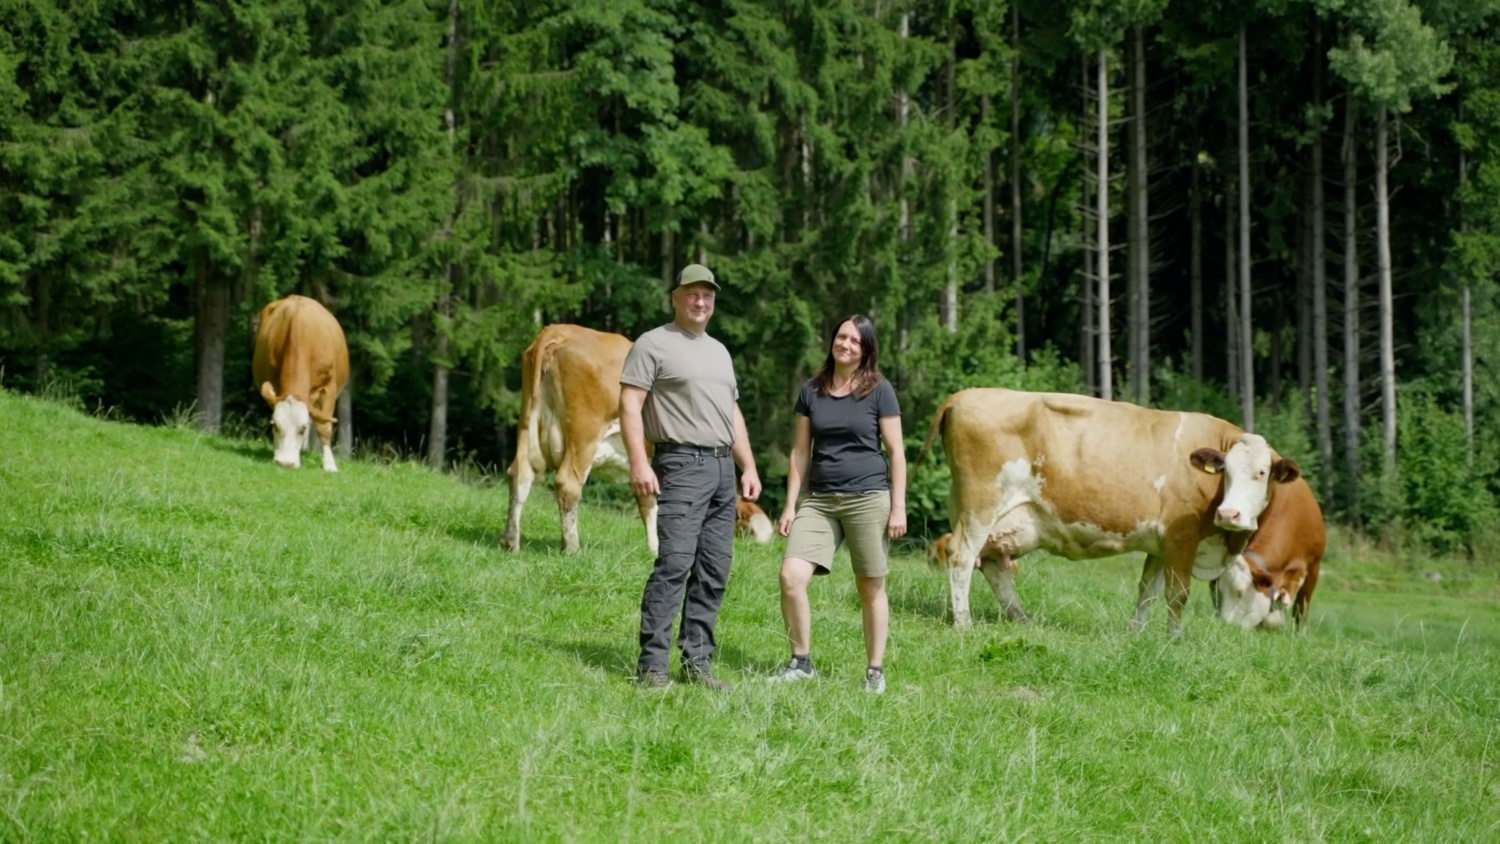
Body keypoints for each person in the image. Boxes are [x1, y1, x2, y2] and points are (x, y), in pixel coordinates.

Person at [621, 263, 762, 691]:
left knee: (714, 569)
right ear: (676, 298)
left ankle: (697, 664)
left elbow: (731, 413)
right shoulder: (653, 344)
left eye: (708, 296)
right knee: (675, 564)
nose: (701, 302)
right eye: (692, 295)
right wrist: (639, 464)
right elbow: (629, 405)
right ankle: (652, 667)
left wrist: (748, 465)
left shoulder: (719, 351)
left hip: (722, 469)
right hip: (680, 464)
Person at [770, 315, 906, 694]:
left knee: (870, 587)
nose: (845, 344)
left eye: (854, 341)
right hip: (820, 500)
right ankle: (801, 663)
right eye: (841, 336)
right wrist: (789, 505)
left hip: (868, 498)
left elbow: (896, 452)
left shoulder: (880, 390)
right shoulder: (811, 390)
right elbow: (800, 452)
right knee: (791, 576)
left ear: (865, 350)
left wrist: (899, 507)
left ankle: (874, 672)